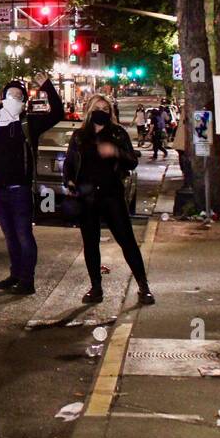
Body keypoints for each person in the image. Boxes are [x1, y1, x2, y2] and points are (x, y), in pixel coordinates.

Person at [0, 75, 64, 295]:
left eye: (18, 96)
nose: (14, 98)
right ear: (2, 98)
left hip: (20, 189)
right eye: (10, 94)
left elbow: (57, 113)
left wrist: (47, 86)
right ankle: (16, 275)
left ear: (24, 102)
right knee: (10, 236)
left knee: (23, 235)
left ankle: (27, 280)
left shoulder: (29, 123)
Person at [65, 95, 154, 306]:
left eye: (106, 108)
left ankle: (143, 286)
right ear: (89, 110)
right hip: (86, 196)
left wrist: (115, 151)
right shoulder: (79, 136)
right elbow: (70, 163)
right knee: (90, 243)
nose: (102, 112)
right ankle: (96, 288)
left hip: (111, 194)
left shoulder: (117, 133)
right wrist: (69, 183)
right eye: (98, 108)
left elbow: (132, 161)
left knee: (127, 240)